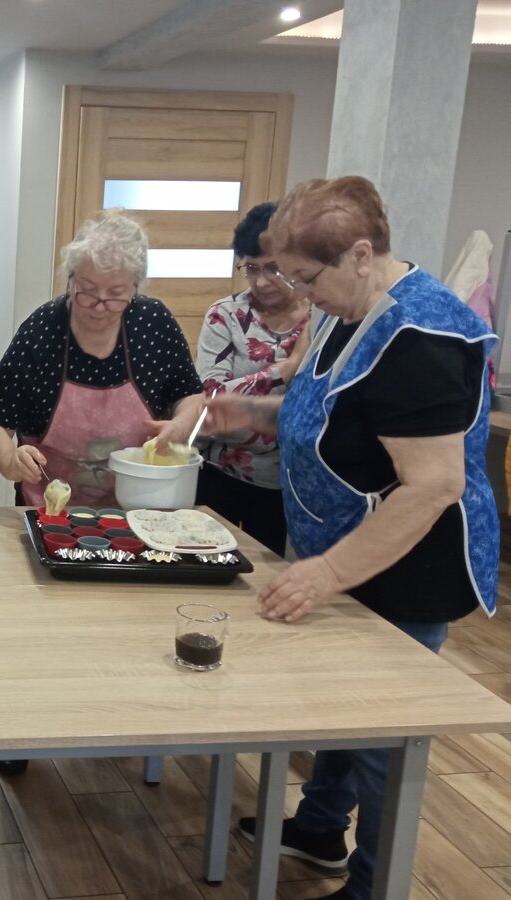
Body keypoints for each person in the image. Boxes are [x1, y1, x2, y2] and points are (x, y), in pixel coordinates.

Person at [203, 176, 498, 900]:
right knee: (337, 703)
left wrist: (328, 573)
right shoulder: (348, 309)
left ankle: (374, 884)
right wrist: (252, 414)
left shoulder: (422, 339)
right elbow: (333, 413)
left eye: (306, 278)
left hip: (406, 567)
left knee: (381, 740)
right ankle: (318, 827)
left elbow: (434, 485)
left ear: (361, 255)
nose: (299, 295)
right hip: (342, 548)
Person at [0, 208, 204, 511]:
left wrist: (179, 426)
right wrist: (10, 461)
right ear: (70, 279)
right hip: (52, 512)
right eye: (87, 291)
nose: (99, 306)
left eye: (115, 294)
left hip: (142, 510)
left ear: (135, 287)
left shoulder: (153, 324)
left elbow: (190, 395)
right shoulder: (41, 332)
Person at [195, 202, 310, 555]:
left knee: (269, 571)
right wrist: (288, 368)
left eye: (273, 268)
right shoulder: (226, 315)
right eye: (251, 268)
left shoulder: (322, 319)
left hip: (287, 482)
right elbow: (212, 396)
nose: (261, 281)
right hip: (218, 473)